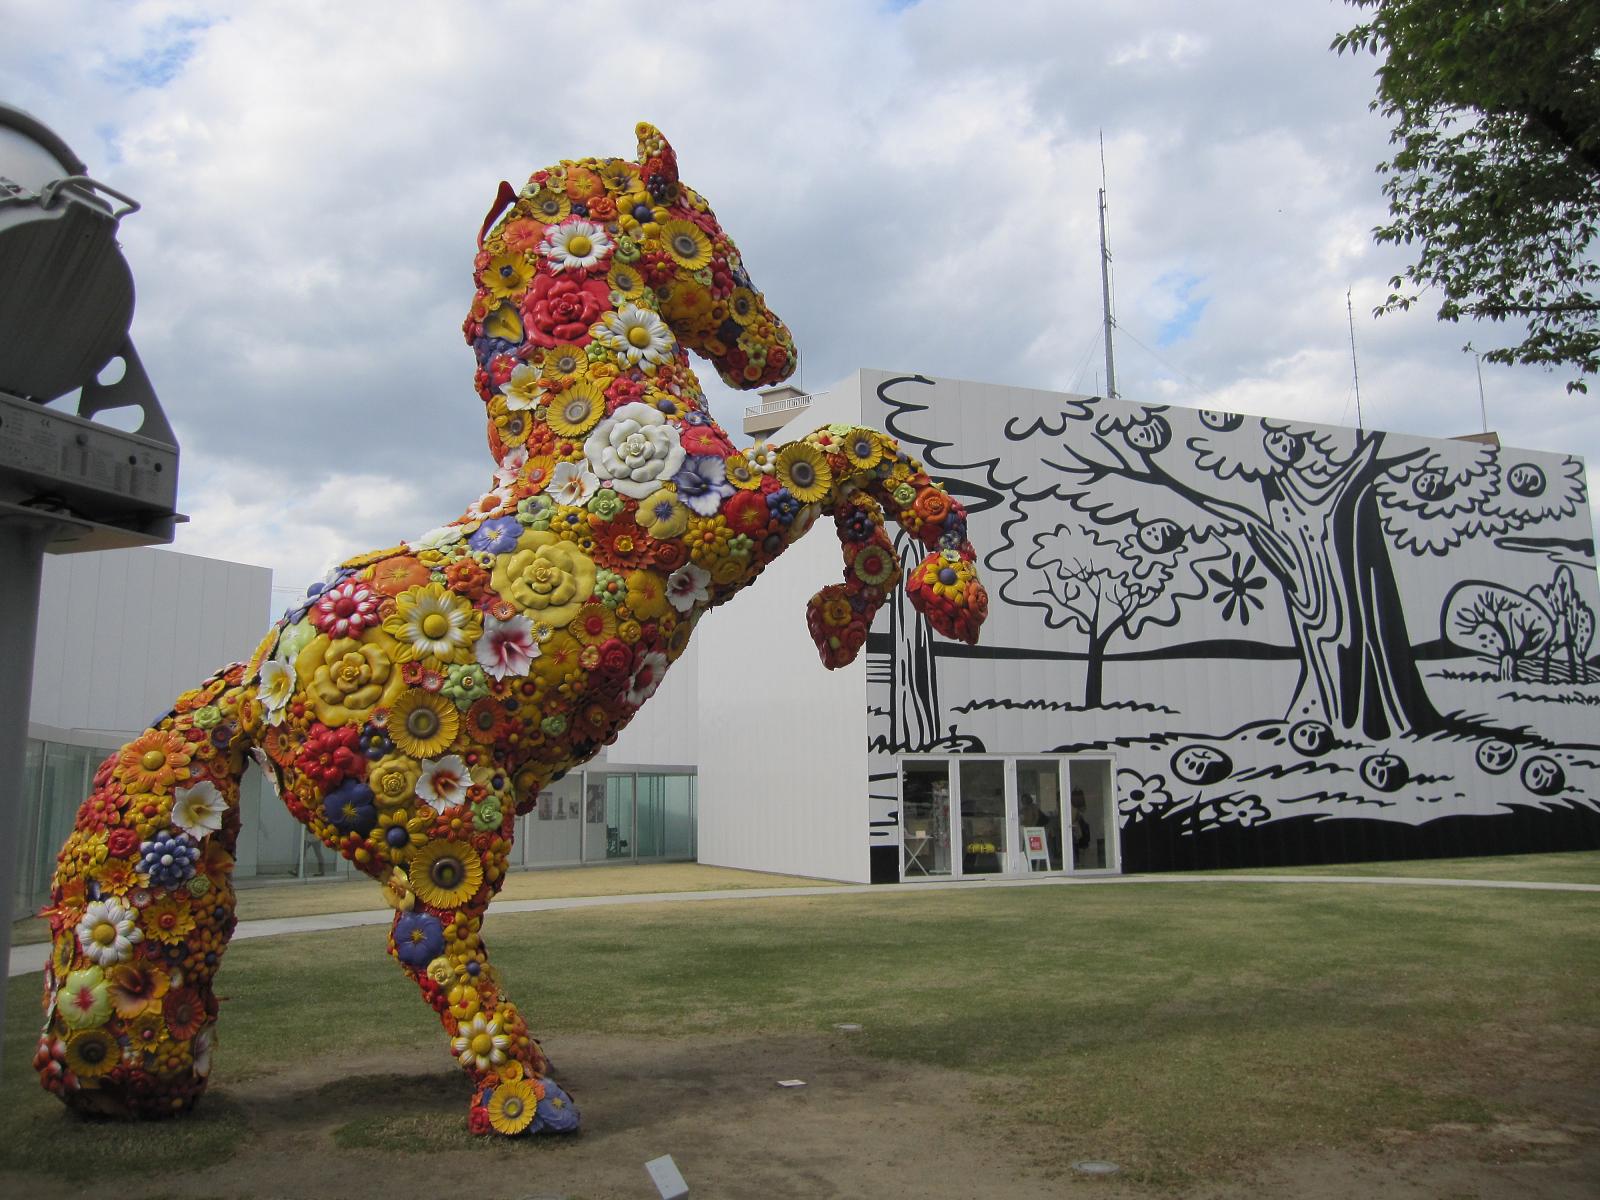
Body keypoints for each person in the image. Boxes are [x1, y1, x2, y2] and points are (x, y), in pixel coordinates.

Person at [1071, 788, 1092, 864]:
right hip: (1079, 829)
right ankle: (1079, 862)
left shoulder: (1075, 809)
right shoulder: (1080, 808)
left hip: (1078, 829)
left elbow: (1073, 819)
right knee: (1079, 847)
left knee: (1077, 846)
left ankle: (1079, 862)